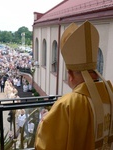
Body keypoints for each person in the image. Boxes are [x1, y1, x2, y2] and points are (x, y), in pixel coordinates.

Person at [35, 21, 113, 150]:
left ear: (70, 75)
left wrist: (44, 121)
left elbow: (47, 144)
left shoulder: (68, 104)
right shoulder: (110, 93)